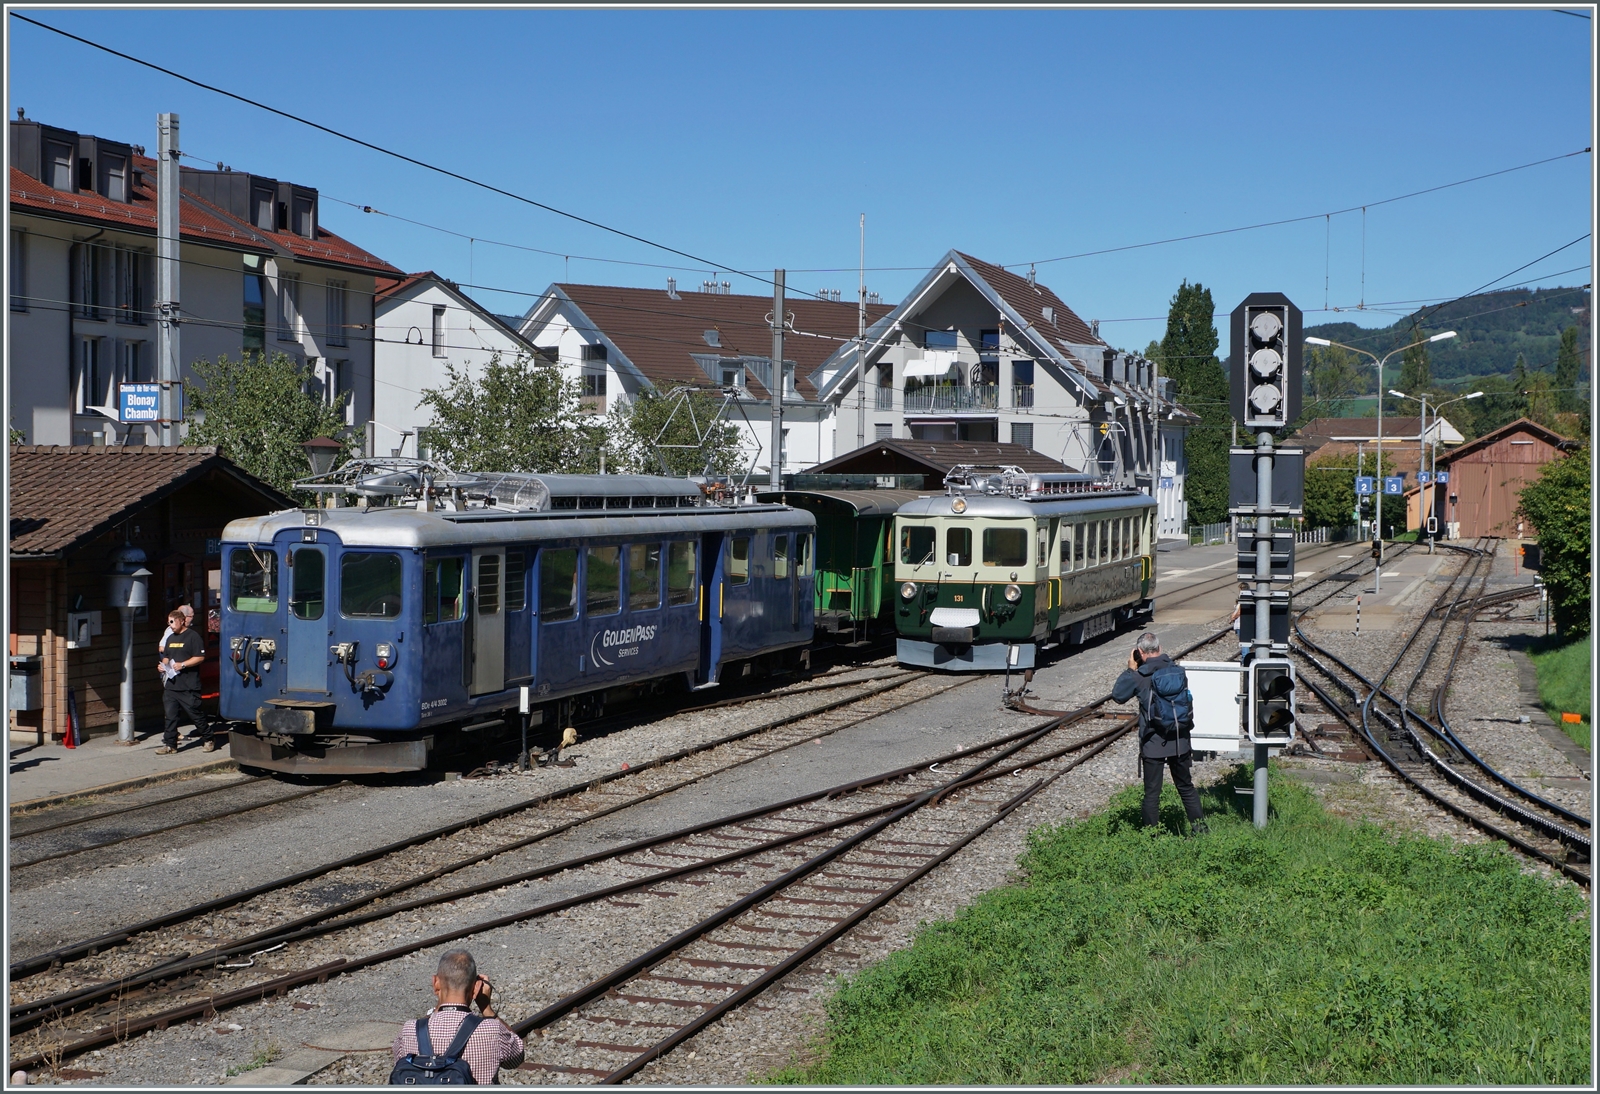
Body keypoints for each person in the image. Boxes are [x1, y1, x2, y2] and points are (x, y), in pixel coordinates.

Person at [1112, 631, 1207, 835]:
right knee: (1186, 787)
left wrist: (1130, 669)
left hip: (1153, 742)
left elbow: (1118, 696)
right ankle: (1200, 830)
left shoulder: (1139, 676)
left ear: (1139, 652)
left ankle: (1150, 838)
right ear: (1160, 649)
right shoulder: (1177, 671)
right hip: (1180, 739)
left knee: (1152, 793)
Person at [392, 950, 525, 1085]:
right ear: (476, 988)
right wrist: (487, 1009)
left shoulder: (409, 1030)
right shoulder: (492, 1029)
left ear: (435, 983)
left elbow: (400, 1066)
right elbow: (516, 1059)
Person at [156, 608, 212, 754]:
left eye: (173, 622)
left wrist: (183, 664)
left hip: (188, 685)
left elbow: (200, 657)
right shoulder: (170, 638)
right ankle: (170, 745)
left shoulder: (192, 637)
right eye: (169, 622)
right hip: (172, 685)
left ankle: (208, 737)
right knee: (170, 716)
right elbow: (167, 656)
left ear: (182, 621)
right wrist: (163, 666)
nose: (171, 625)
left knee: (195, 714)